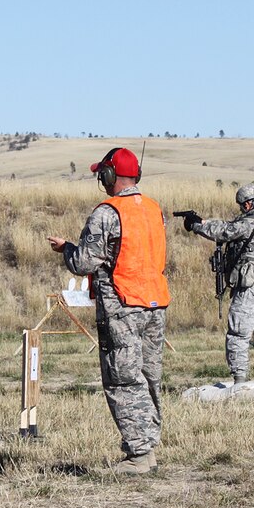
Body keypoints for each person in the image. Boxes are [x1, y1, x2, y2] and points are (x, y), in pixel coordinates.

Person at [47, 147, 169, 476]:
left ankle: (140, 455)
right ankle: (148, 448)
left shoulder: (107, 213)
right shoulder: (154, 209)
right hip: (155, 303)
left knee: (123, 379)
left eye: (102, 174)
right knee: (148, 377)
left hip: (123, 306)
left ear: (109, 176)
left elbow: (83, 262)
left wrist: (66, 249)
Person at [180, 184, 254, 384]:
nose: (240, 209)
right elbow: (230, 227)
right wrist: (203, 221)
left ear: (247, 204)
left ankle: (239, 381)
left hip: (250, 290)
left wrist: (196, 226)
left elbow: (226, 231)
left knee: (238, 334)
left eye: (241, 206)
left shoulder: (250, 223)